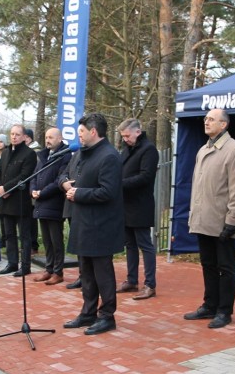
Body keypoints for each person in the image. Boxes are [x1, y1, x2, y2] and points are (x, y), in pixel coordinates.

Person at [184, 108, 235, 329]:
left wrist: (233, 219)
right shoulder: (202, 150)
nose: (206, 121)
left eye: (211, 119)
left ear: (224, 124)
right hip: (203, 218)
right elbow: (197, 187)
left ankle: (224, 310)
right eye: (205, 118)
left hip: (222, 221)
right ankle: (210, 304)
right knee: (208, 264)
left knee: (226, 267)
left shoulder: (234, 150)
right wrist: (194, 214)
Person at [63, 113, 125, 335]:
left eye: (81, 132)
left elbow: (108, 192)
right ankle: (88, 313)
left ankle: (107, 315)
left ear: (93, 131)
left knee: (102, 273)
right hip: (83, 222)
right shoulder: (83, 153)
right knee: (86, 272)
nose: (78, 136)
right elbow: (71, 175)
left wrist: (79, 193)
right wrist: (68, 185)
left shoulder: (109, 156)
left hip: (101, 226)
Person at [117, 118, 159, 300]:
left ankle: (150, 284)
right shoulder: (126, 150)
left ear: (137, 131)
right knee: (130, 245)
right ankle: (131, 280)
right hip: (125, 204)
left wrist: (119, 184)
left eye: (127, 135)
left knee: (145, 245)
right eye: (123, 136)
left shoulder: (148, 150)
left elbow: (145, 177)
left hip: (141, 204)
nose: (125, 139)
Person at [0, 124, 37, 277]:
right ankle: (12, 263)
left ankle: (25, 266)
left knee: (24, 235)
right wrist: (0, 187)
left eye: (17, 134)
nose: (14, 137)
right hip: (5, 200)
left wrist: (6, 188)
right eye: (12, 134)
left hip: (19, 200)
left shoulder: (29, 154)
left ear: (24, 137)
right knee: (9, 234)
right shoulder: (5, 152)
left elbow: (24, 176)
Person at [31, 128, 70, 286]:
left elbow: (59, 181)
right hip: (40, 203)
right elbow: (34, 175)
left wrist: (42, 192)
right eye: (46, 137)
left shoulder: (65, 155)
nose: (48, 140)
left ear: (60, 138)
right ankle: (48, 269)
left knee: (56, 240)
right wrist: (32, 190)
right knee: (46, 240)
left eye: (51, 137)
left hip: (54, 203)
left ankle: (58, 271)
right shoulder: (43, 155)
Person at [58, 150, 82, 289]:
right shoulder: (76, 154)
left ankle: (89, 277)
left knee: (85, 243)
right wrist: (64, 183)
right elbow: (64, 173)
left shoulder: (98, 154)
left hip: (84, 202)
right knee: (78, 243)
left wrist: (75, 186)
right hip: (71, 203)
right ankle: (82, 275)